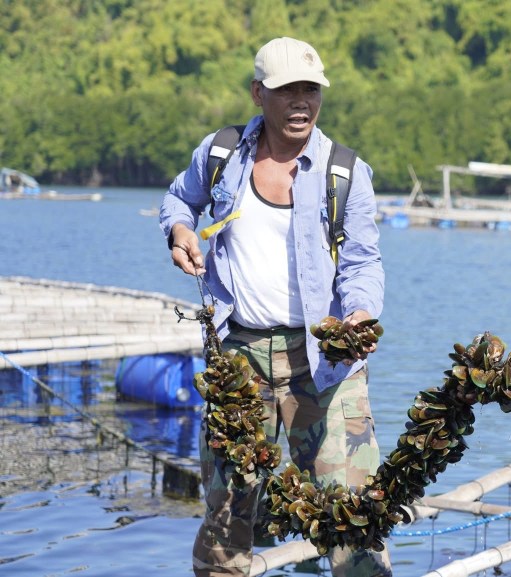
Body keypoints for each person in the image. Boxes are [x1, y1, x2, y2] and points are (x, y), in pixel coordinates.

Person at [160, 37, 391, 577]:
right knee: (227, 513)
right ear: (258, 93)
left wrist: (359, 315)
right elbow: (178, 199)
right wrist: (179, 231)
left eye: (311, 89)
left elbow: (363, 262)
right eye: (287, 90)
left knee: (355, 515)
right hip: (238, 357)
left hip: (325, 363)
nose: (301, 101)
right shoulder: (220, 154)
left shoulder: (344, 171)